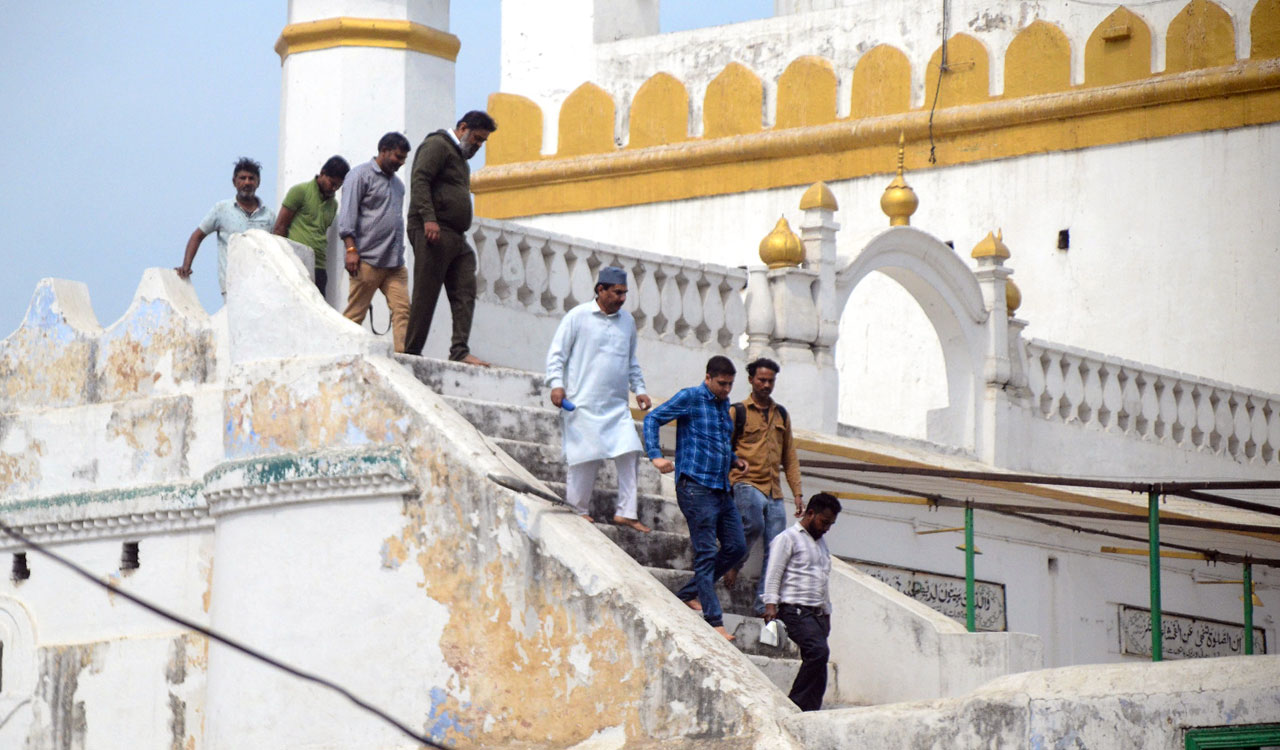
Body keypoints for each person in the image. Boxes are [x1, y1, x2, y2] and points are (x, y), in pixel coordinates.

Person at [643, 356, 748, 641]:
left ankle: (689, 593)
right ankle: (714, 621)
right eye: (722, 384)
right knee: (706, 553)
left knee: (738, 548)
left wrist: (735, 460)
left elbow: (718, 441)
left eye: (730, 385)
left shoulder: (723, 404)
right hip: (695, 487)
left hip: (720, 488)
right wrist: (655, 454)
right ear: (708, 377)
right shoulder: (690, 397)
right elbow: (653, 418)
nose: (727, 389)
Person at [546, 267, 654, 532]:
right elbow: (556, 355)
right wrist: (556, 385)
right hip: (583, 404)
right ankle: (577, 509)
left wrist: (639, 389)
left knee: (630, 451)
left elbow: (630, 361)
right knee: (584, 459)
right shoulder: (577, 317)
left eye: (624, 293)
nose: (621, 298)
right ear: (600, 290)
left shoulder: (627, 322)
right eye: (617, 292)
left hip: (616, 407)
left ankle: (627, 512)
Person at [404, 110, 498, 365]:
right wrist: (429, 219)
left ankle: (459, 351)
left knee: (465, 291)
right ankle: (411, 353)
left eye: (482, 142)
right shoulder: (437, 145)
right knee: (426, 293)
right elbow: (420, 180)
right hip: (433, 230)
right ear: (463, 128)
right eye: (477, 138)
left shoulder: (461, 159)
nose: (478, 145)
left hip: (456, 235)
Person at [723, 358, 803, 616]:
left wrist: (798, 494)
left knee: (778, 547)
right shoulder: (738, 411)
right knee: (753, 525)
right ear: (751, 380)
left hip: (774, 491)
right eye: (762, 380)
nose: (766, 385)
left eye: (770, 381)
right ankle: (735, 561)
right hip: (746, 483)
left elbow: (789, 457)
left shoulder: (782, 414)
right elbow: (722, 447)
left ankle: (763, 605)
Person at [762, 492, 842, 712]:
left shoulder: (822, 544)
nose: (827, 528)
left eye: (831, 524)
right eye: (824, 522)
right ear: (810, 513)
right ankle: (794, 704)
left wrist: (827, 612)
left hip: (818, 614)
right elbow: (774, 572)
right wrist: (770, 605)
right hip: (794, 609)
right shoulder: (788, 538)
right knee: (818, 652)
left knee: (818, 662)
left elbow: (822, 579)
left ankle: (811, 710)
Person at [338, 133, 411, 353]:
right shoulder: (359, 176)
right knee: (354, 315)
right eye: (398, 157)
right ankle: (341, 355)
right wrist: (351, 249)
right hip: (367, 260)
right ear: (384, 150)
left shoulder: (398, 185)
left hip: (394, 264)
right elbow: (348, 216)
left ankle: (403, 361)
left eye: (403, 159)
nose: (400, 163)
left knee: (403, 310)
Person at [176, 157, 276, 298]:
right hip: (232, 285)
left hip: (261, 286)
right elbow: (197, 236)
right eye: (242, 178)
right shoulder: (221, 209)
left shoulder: (269, 215)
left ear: (258, 183)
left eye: (251, 178)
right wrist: (186, 266)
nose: (247, 182)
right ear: (234, 182)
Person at [273, 156, 350, 296]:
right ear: (322, 173)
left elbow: (321, 232)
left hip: (319, 265)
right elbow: (280, 227)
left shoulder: (333, 205)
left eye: (338, 186)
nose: (334, 188)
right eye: (332, 183)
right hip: (295, 262)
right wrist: (282, 261)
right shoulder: (299, 191)